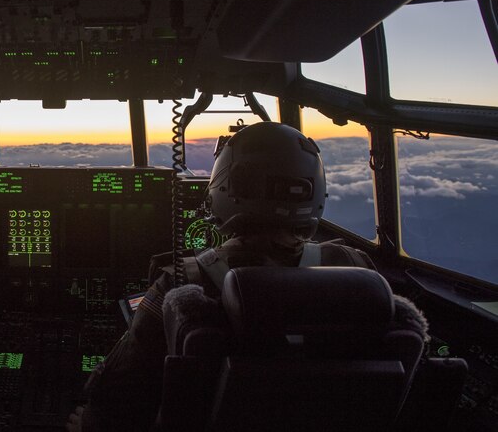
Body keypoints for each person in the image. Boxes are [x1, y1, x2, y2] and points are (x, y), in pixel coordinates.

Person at [69, 122, 429, 432]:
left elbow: (116, 396)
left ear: (225, 187)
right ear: (315, 190)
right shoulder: (358, 273)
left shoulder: (184, 283)